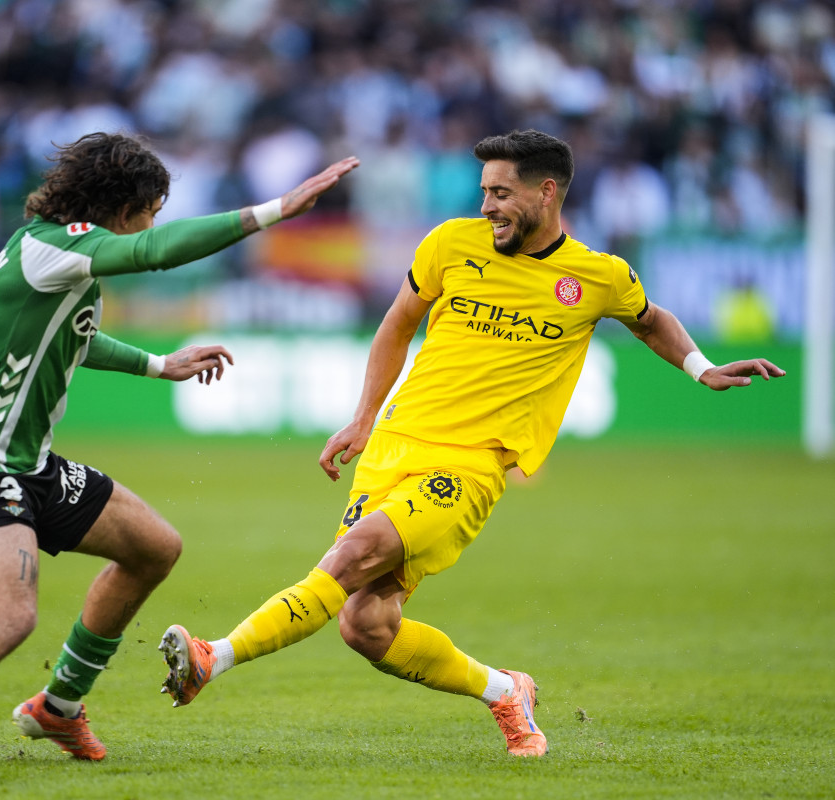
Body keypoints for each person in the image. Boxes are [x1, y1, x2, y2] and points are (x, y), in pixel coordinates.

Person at [158, 129, 785, 758]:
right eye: (484, 191)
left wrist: (702, 368)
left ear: (547, 192)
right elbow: (396, 325)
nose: (487, 206)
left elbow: (653, 321)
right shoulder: (450, 243)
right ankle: (506, 691)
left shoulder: (597, 276)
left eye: (502, 193)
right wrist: (363, 418)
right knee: (366, 625)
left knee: (353, 554)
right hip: (394, 447)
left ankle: (213, 659)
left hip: (471, 465)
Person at [0, 132, 358, 780]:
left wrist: (157, 364)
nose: (152, 223)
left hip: (28, 466)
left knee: (153, 547)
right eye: (151, 210)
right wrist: (276, 210)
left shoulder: (58, 252)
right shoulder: (52, 248)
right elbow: (154, 253)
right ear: (124, 208)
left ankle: (59, 706)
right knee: (10, 615)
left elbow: (74, 337)